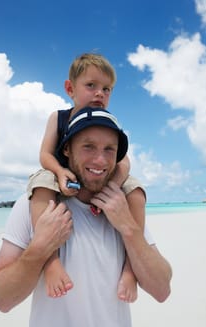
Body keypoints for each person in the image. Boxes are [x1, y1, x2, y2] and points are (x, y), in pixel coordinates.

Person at [0, 107, 172, 327]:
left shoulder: (122, 209)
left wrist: (128, 227)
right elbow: (2, 300)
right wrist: (40, 248)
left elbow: (162, 289)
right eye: (88, 146)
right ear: (67, 149)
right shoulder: (35, 205)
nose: (100, 160)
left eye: (110, 149)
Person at [28, 53, 145, 301]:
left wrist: (107, 191)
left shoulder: (107, 123)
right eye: (91, 86)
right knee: (40, 182)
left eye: (106, 89)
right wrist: (60, 172)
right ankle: (50, 261)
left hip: (100, 180)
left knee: (135, 189)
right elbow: (45, 155)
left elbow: (123, 164)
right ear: (70, 88)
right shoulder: (58, 118)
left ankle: (130, 269)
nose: (99, 93)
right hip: (64, 174)